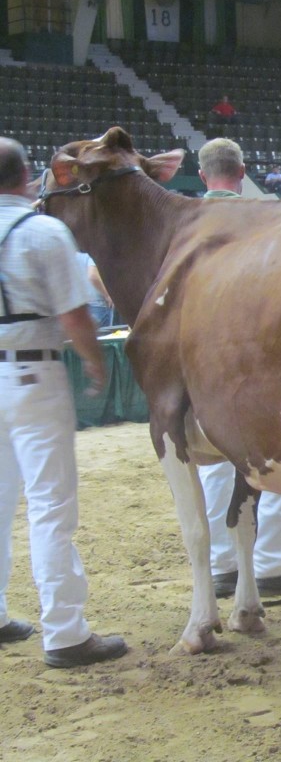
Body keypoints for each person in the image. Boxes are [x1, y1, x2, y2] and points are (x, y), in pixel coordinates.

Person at [0, 136, 128, 667]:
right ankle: (65, 632)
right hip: (34, 373)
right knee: (50, 505)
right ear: (27, 176)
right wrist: (95, 362)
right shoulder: (43, 231)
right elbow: (75, 315)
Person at [196, 138, 281, 600]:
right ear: (243, 171)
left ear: (202, 175)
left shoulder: (187, 222)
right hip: (260, 358)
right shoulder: (266, 217)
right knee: (275, 458)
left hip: (205, 363)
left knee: (215, 463)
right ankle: (272, 563)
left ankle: (224, 565)